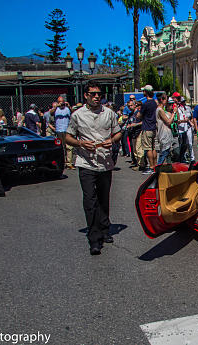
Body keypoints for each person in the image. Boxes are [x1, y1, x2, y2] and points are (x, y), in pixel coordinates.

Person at [64, 80, 122, 255]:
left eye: (99, 94)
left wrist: (111, 140)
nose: (97, 97)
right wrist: (81, 143)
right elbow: (68, 137)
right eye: (93, 94)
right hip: (86, 162)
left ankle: (105, 229)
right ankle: (94, 238)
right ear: (86, 95)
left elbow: (118, 132)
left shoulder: (109, 113)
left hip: (105, 162)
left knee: (104, 198)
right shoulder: (77, 115)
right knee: (90, 200)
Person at [136, 85, 158, 175]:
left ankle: (151, 166)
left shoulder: (146, 104)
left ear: (146, 92)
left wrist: (139, 111)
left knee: (148, 148)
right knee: (153, 147)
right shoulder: (154, 103)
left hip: (147, 127)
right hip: (153, 127)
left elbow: (139, 116)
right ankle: (155, 165)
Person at [51, 96, 73, 169]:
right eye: (60, 102)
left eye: (62, 102)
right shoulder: (56, 109)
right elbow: (50, 113)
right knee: (61, 147)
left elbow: (73, 113)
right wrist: (56, 106)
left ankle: (69, 163)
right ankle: (62, 162)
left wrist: (69, 106)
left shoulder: (67, 109)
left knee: (69, 147)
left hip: (67, 130)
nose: (62, 104)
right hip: (59, 130)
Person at [156, 95, 175, 165]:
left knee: (167, 153)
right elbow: (168, 121)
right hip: (164, 134)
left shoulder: (161, 110)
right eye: (166, 100)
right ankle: (157, 170)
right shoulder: (160, 110)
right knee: (164, 153)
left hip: (167, 133)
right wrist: (174, 113)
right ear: (162, 100)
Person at [176, 97, 195, 163]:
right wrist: (184, 120)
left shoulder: (188, 108)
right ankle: (182, 157)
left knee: (190, 143)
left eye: (184, 101)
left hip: (188, 127)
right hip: (181, 128)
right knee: (182, 144)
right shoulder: (178, 109)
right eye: (182, 102)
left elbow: (192, 116)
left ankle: (192, 157)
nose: (183, 103)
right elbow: (177, 120)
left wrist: (191, 122)